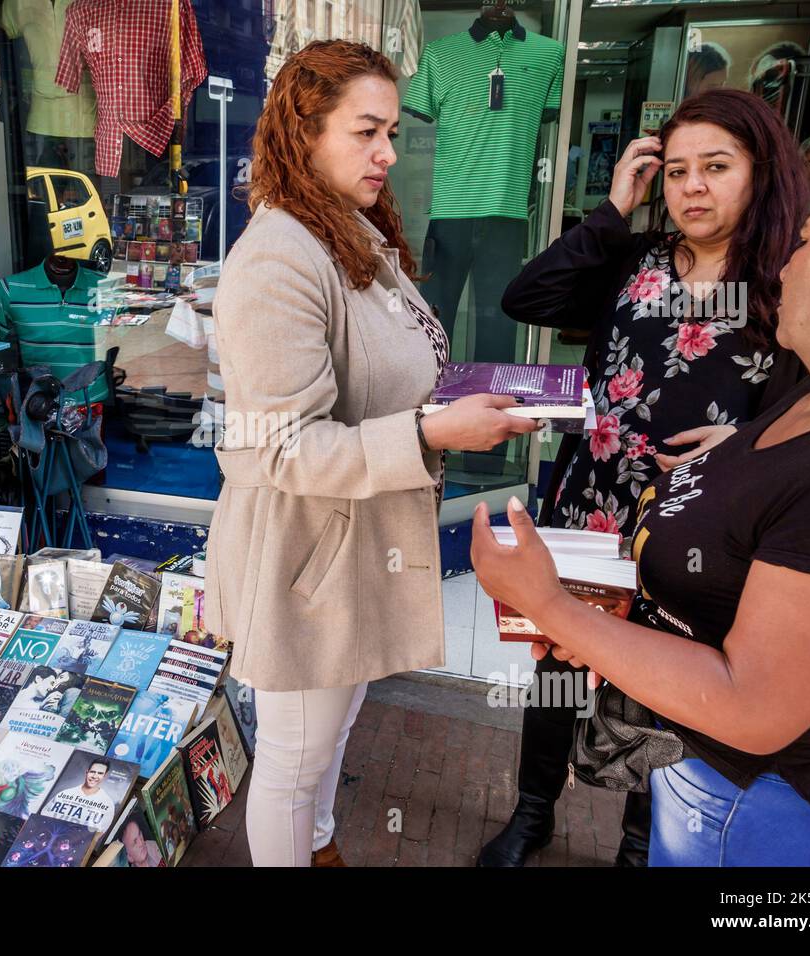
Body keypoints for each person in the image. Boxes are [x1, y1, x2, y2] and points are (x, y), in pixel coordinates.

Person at [472, 146, 810, 866]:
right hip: (617, 518)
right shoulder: (643, 263)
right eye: (675, 169)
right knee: (563, 683)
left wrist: (551, 605)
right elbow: (528, 297)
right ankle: (536, 809)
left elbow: (748, 699)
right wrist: (612, 211)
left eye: (718, 166)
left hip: (768, 812)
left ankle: (633, 844)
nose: (692, 185)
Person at [203, 40, 539, 869]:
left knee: (329, 734)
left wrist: (462, 396)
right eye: (367, 131)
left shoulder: (346, 230)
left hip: (353, 547)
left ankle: (318, 847)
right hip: (308, 558)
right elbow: (278, 447)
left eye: (392, 131)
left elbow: (389, 361)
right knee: (293, 758)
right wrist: (433, 432)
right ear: (304, 132)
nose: (388, 152)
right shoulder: (280, 259)